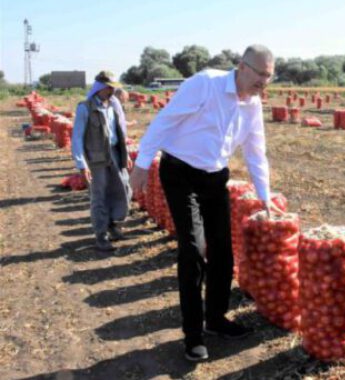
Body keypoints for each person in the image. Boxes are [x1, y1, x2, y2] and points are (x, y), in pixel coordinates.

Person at [130, 44, 281, 362]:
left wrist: (265, 196)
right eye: (261, 75)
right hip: (180, 172)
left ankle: (215, 319)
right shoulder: (205, 83)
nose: (264, 83)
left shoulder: (252, 103)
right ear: (242, 66)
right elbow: (165, 120)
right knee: (193, 250)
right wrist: (143, 164)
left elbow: (255, 150)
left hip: (215, 176)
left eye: (270, 76)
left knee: (223, 252)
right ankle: (193, 335)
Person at [71, 70, 133, 252]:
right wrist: (82, 164)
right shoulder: (85, 107)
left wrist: (126, 153)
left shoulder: (114, 104)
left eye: (113, 88)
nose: (111, 91)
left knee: (124, 189)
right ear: (100, 88)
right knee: (99, 196)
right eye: (108, 88)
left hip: (115, 153)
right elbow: (77, 138)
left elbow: (121, 130)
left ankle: (113, 223)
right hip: (96, 157)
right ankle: (101, 235)